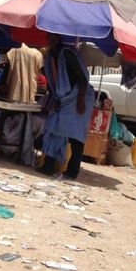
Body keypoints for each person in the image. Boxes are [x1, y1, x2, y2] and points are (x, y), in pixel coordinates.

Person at [39, 34, 95, 180]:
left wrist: (81, 100)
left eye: (54, 36)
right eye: (49, 36)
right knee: (53, 129)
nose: (51, 39)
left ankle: (72, 171)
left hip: (78, 96)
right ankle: (48, 166)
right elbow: (52, 81)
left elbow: (83, 79)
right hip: (61, 98)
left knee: (75, 136)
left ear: (60, 37)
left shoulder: (68, 53)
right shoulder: (50, 55)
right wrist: (54, 98)